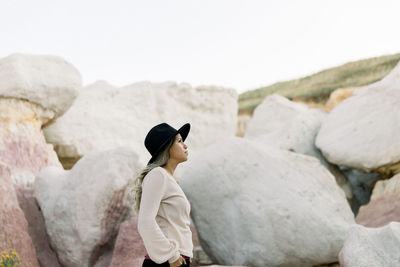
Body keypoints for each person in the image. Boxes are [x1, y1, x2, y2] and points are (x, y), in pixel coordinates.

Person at [133, 122, 193, 267]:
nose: (185, 146)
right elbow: (145, 222)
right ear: (167, 148)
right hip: (167, 261)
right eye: (179, 141)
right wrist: (172, 256)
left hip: (177, 260)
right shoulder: (157, 175)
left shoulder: (168, 179)